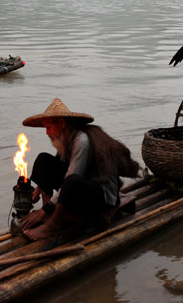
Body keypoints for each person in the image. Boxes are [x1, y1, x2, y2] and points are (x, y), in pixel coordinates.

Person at [19, 98, 140, 241]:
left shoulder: (82, 141)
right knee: (43, 160)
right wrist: (41, 186)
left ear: (62, 124)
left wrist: (42, 211)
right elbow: (55, 165)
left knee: (72, 180)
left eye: (49, 127)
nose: (47, 132)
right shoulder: (65, 140)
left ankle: (52, 225)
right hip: (84, 188)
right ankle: (49, 211)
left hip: (102, 199)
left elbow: (72, 177)